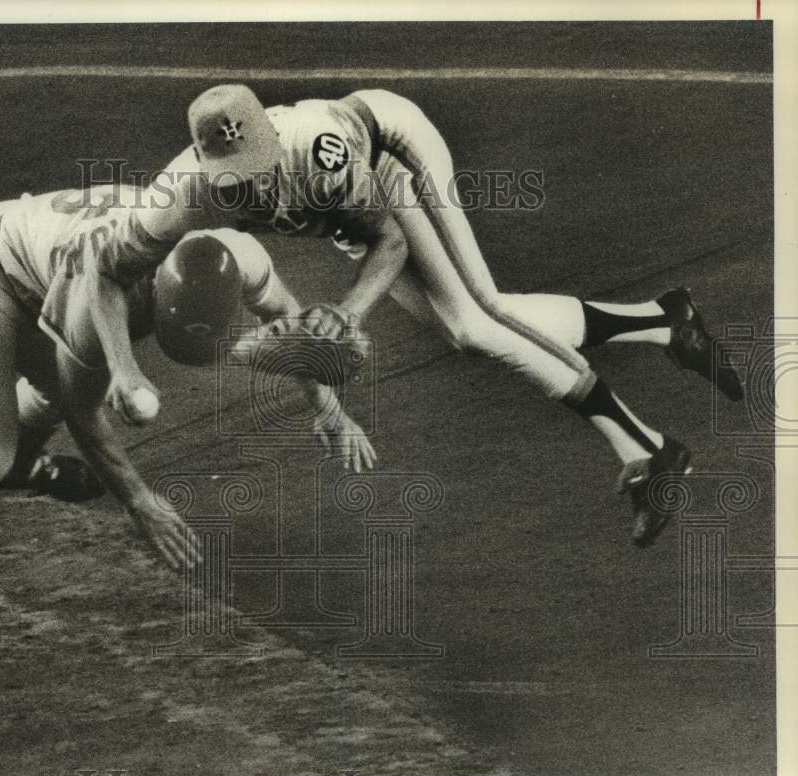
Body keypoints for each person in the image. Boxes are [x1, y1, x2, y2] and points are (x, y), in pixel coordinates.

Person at [122, 84, 744, 548]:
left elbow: (388, 239)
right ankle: (666, 322)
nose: (252, 191)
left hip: (392, 156)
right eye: (234, 182)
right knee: (462, 327)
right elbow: (116, 257)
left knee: (479, 317)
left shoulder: (318, 149)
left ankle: (648, 448)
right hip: (349, 211)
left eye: (259, 170)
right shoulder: (183, 191)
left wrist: (349, 311)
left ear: (270, 142)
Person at [0, 185, 374, 692]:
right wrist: (140, 502)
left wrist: (330, 411)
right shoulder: (101, 296)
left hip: (44, 268)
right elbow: (84, 414)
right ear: (152, 295)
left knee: (54, 389)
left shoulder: (236, 255)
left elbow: (291, 323)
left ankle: (22, 466)